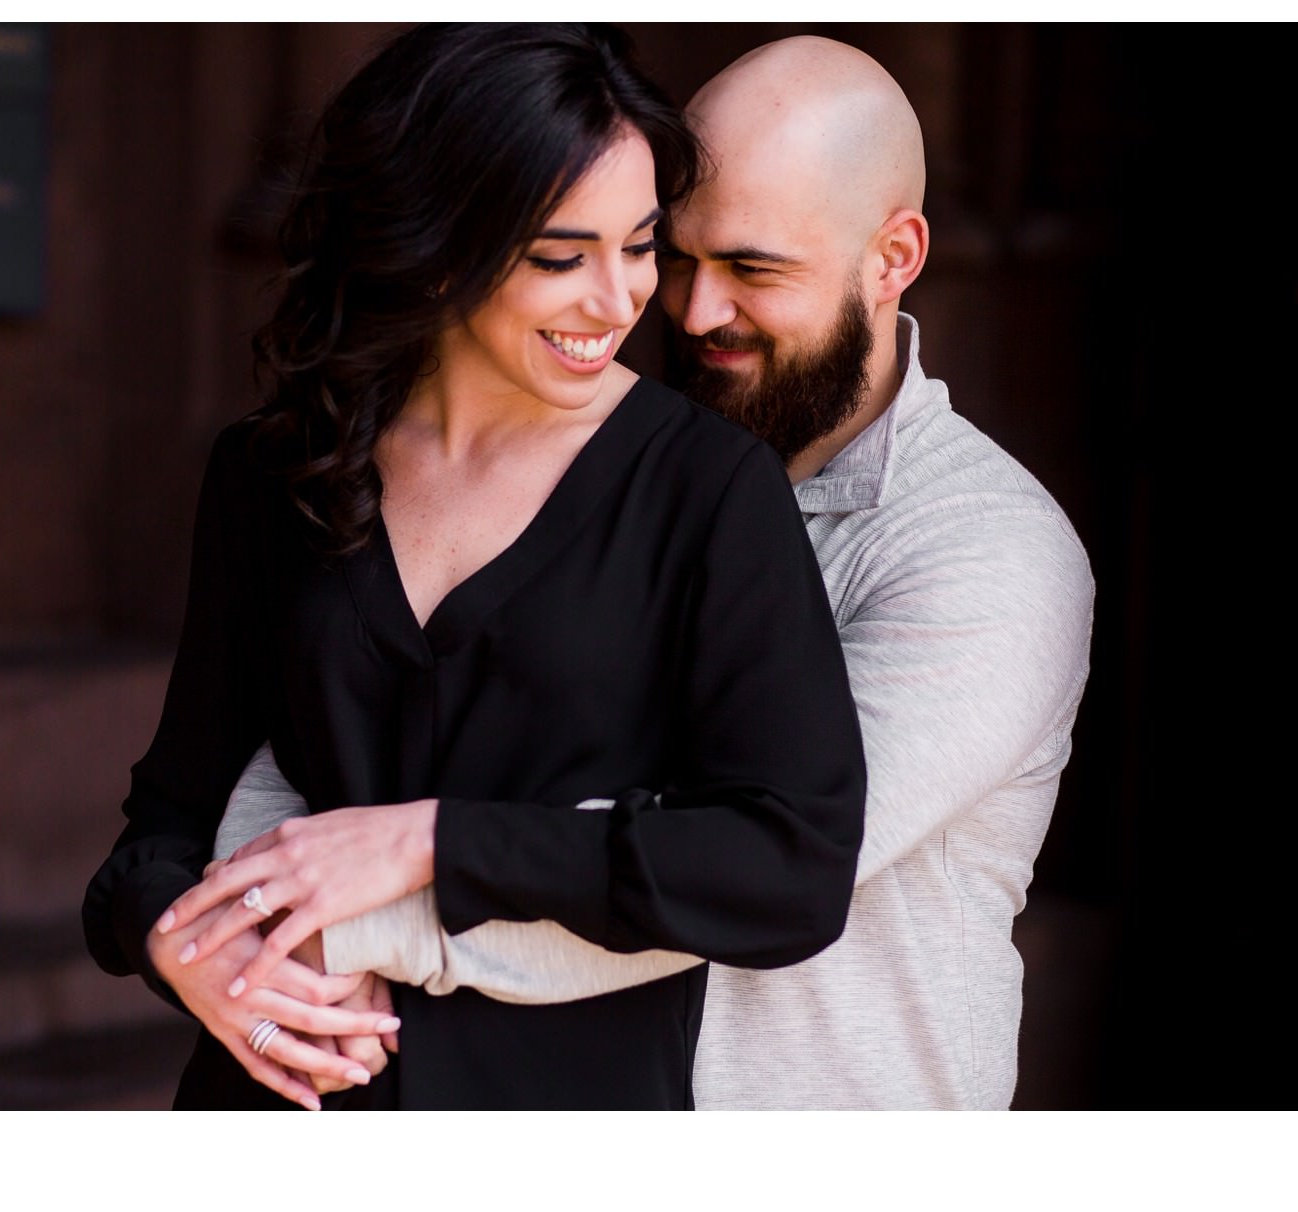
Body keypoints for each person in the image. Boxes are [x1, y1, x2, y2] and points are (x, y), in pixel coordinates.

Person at [216, 35, 1095, 1110]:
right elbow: (321, 728)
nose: (684, 311)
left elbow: (758, 866)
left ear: (892, 255)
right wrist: (232, 918)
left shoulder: (983, 550)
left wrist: (330, 926)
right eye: (669, 254)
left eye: (751, 269)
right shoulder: (601, 462)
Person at [81, 24, 866, 1111]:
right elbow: (165, 821)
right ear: (437, 243)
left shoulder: (707, 490)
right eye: (560, 256)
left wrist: (434, 840)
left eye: (639, 244)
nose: (619, 299)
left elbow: (790, 867)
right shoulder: (276, 468)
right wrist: (179, 953)